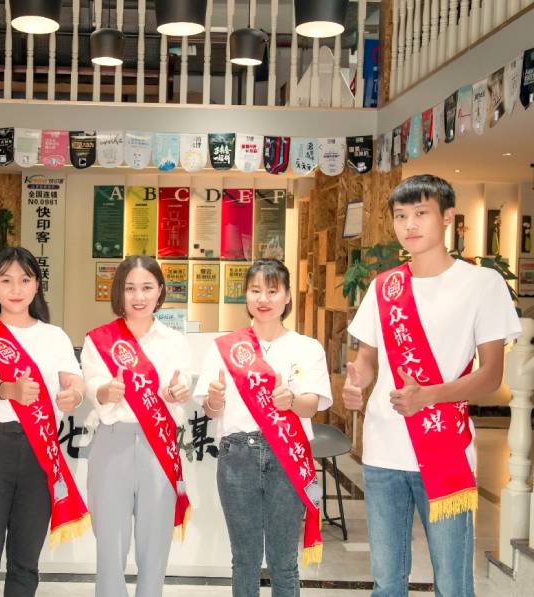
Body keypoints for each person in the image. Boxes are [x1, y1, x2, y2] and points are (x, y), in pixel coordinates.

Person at [343, 175, 521, 596]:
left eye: (421, 213)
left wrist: (428, 396)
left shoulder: (482, 284)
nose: (409, 225)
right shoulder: (384, 286)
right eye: (401, 216)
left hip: (444, 448)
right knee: (387, 581)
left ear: (447, 217)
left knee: (453, 582)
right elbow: (367, 358)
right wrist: (357, 383)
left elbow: (491, 375)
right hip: (383, 450)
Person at [194, 258, 331, 597]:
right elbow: (211, 410)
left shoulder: (307, 347)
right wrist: (214, 399)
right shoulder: (225, 348)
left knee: (284, 561)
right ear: (245, 295)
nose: (263, 298)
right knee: (245, 559)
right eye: (255, 290)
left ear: (287, 296)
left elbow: (312, 405)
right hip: (237, 455)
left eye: (272, 290)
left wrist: (291, 401)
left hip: (288, 457)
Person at [0, 247, 89, 597]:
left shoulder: (55, 336)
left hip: (39, 453)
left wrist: (74, 395)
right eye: (6, 280)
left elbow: (74, 381)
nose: (16, 288)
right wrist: (8, 390)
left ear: (36, 286)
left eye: (25, 280)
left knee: (26, 560)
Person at [81, 255, 192, 597]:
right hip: (112, 442)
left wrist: (178, 392)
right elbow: (92, 385)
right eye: (130, 288)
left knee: (155, 541)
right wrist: (105, 391)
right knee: (109, 542)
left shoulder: (175, 341)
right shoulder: (98, 339)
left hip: (158, 446)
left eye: (147, 287)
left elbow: (181, 384)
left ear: (160, 290)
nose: (139, 296)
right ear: (119, 292)